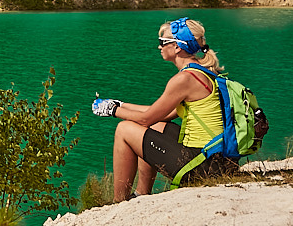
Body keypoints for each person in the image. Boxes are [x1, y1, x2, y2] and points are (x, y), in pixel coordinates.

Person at [91, 17, 238, 201]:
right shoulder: (204, 71)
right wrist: (121, 104)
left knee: (124, 129)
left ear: (177, 47)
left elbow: (145, 119)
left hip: (202, 166)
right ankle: (141, 194)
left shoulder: (183, 80)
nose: (159, 47)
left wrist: (112, 111)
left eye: (163, 42)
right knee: (156, 126)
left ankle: (118, 202)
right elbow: (160, 114)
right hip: (217, 161)